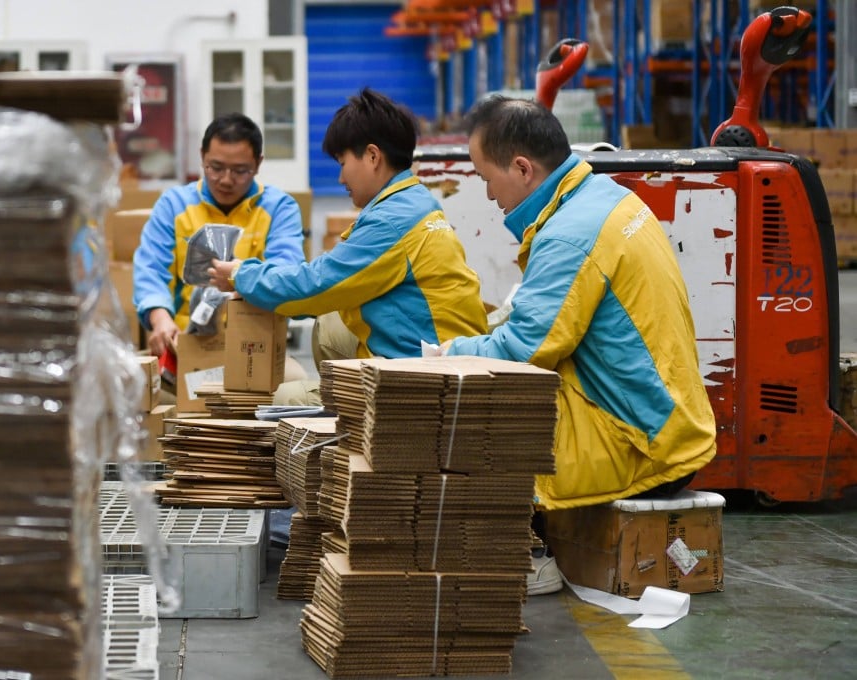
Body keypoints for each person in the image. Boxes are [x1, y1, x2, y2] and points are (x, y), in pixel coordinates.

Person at [440, 95, 717, 593]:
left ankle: (532, 557)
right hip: (671, 422)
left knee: (482, 411)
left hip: (643, 445)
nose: (487, 195)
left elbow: (525, 350)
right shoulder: (607, 198)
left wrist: (448, 355)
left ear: (522, 168)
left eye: (486, 178)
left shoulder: (570, 235)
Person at [207, 88, 487, 378]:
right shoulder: (415, 200)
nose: (341, 178)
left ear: (372, 156)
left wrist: (241, 274)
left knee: (287, 397)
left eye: (343, 164)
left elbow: (316, 285)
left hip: (429, 373)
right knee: (331, 323)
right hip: (441, 352)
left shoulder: (390, 220)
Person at [133, 112, 306, 359]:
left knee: (289, 393)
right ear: (202, 156)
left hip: (255, 348)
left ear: (258, 164)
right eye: (215, 167)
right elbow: (150, 270)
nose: (226, 180)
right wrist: (160, 318)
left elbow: (286, 270)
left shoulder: (280, 208)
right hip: (184, 345)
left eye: (240, 170)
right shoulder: (173, 205)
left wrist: (242, 281)